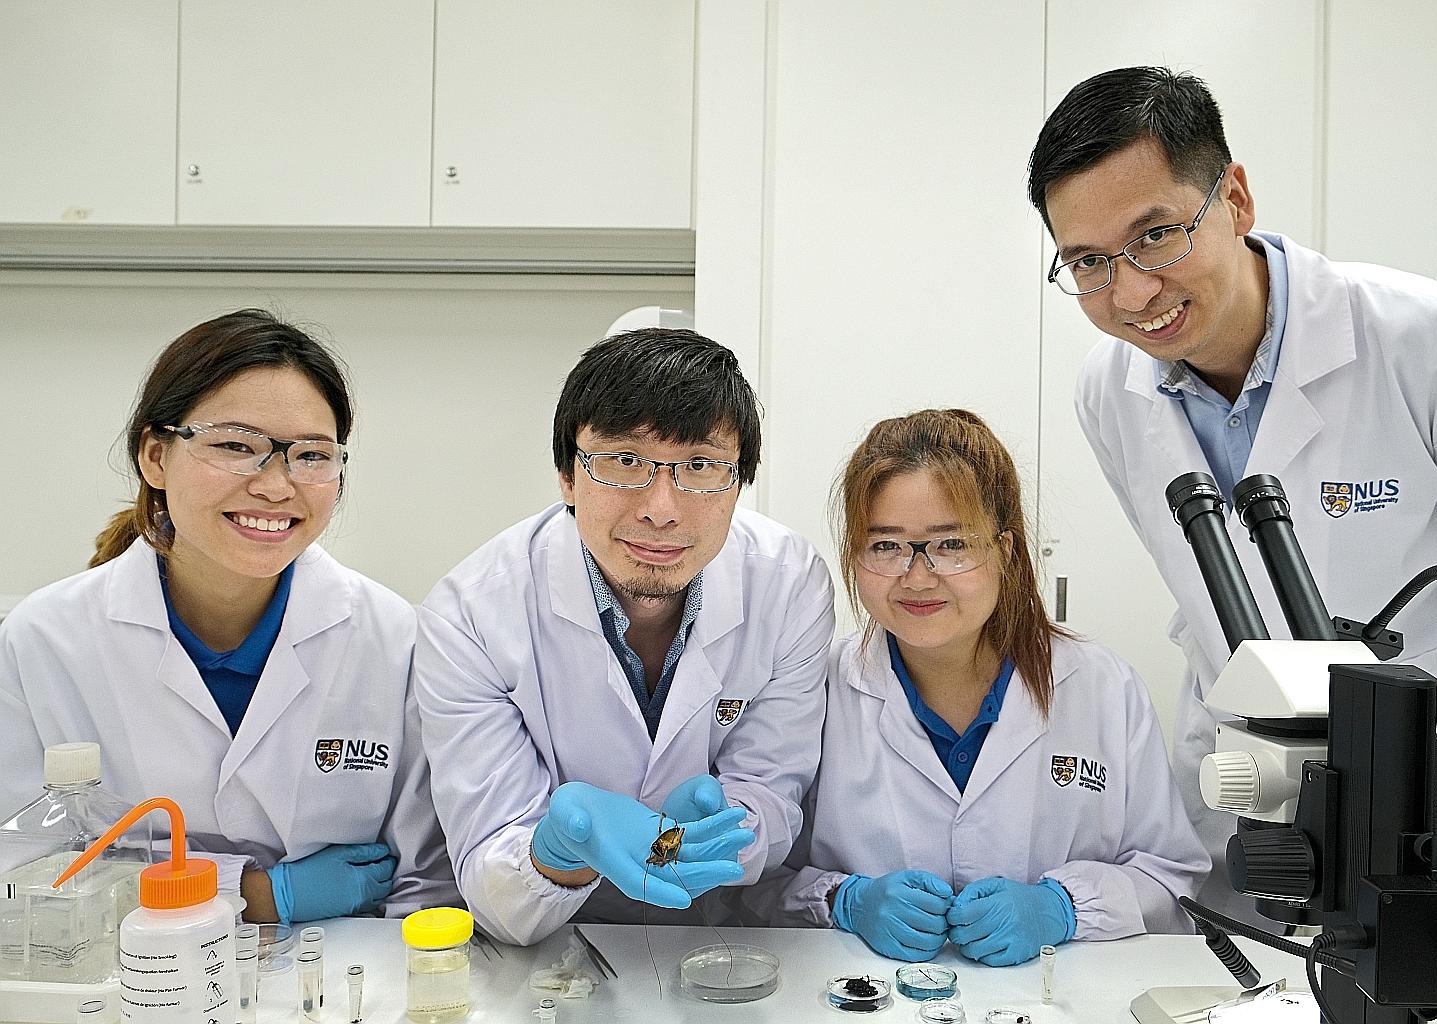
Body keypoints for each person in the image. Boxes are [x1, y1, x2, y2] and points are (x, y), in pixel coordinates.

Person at [1028, 66, 1437, 918]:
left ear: (1234, 197)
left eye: (1155, 235)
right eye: (1087, 261)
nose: (1131, 292)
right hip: (1237, 772)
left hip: (1426, 787)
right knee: (1235, 995)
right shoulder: (1107, 389)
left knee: (1402, 998)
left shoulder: (1429, 342)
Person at [0, 310, 456, 924]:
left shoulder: (395, 640)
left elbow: (427, 884)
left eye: (312, 455)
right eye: (236, 446)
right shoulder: (45, 641)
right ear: (155, 456)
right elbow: (19, 879)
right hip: (133, 991)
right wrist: (254, 896)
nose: (276, 486)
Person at [414, 327, 835, 945]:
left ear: (739, 482)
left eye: (699, 466)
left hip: (718, 945)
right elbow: (489, 875)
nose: (661, 507)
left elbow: (772, 796)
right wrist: (560, 850)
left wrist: (730, 826)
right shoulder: (471, 614)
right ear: (566, 475)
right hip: (548, 955)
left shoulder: (790, 586)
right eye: (624, 462)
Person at [757, 409, 1207, 963]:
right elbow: (749, 881)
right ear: (854, 555)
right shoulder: (815, 689)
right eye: (885, 546)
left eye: (950, 544)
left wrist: (1063, 909)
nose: (917, 576)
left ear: (1007, 552)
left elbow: (1172, 877)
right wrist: (842, 900)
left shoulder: (1102, 686)